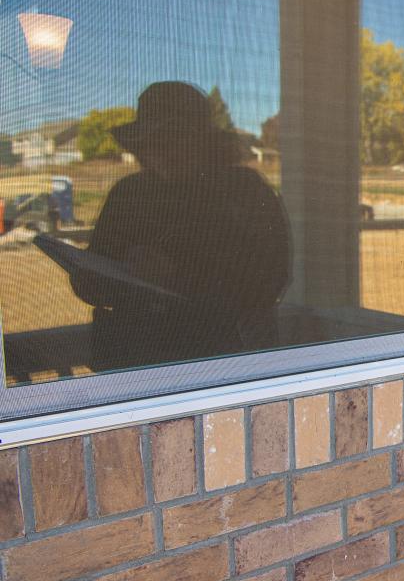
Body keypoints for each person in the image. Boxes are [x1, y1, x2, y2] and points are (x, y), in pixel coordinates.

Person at [71, 81, 290, 371]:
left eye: (174, 139)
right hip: (133, 366)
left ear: (204, 141)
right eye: (153, 141)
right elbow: (91, 281)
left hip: (222, 365)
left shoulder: (245, 192)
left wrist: (176, 277)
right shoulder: (129, 194)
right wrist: (93, 273)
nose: (162, 151)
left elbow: (268, 282)